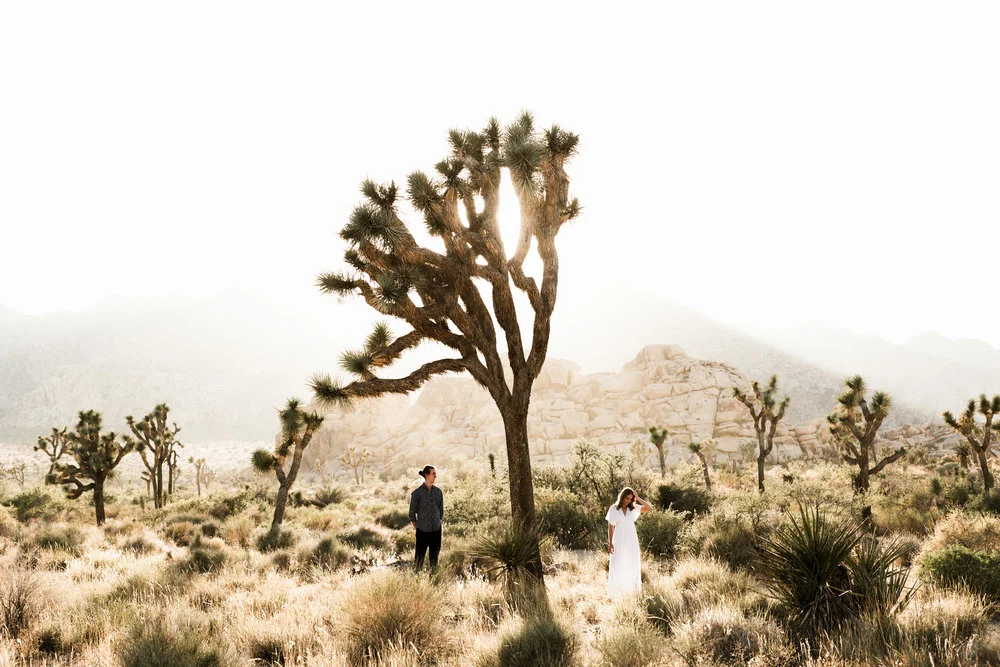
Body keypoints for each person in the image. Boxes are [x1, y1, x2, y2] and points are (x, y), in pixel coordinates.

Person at [605, 486, 652, 599]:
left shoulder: (634, 508)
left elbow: (649, 508)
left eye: (631, 499)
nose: (628, 501)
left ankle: (632, 593)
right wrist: (611, 542)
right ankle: (617, 594)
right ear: (622, 497)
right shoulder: (614, 509)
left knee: (632, 563)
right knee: (618, 563)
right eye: (627, 498)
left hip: (631, 540)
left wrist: (638, 498)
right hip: (619, 539)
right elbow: (611, 526)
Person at [409, 464, 444, 572]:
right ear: (426, 475)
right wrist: (418, 528)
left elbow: (441, 511)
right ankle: (417, 581)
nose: (435, 476)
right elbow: (412, 514)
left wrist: (437, 523)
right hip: (422, 531)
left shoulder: (438, 492)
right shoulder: (417, 493)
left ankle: (434, 580)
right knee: (419, 559)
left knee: (434, 560)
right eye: (433, 473)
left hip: (436, 531)